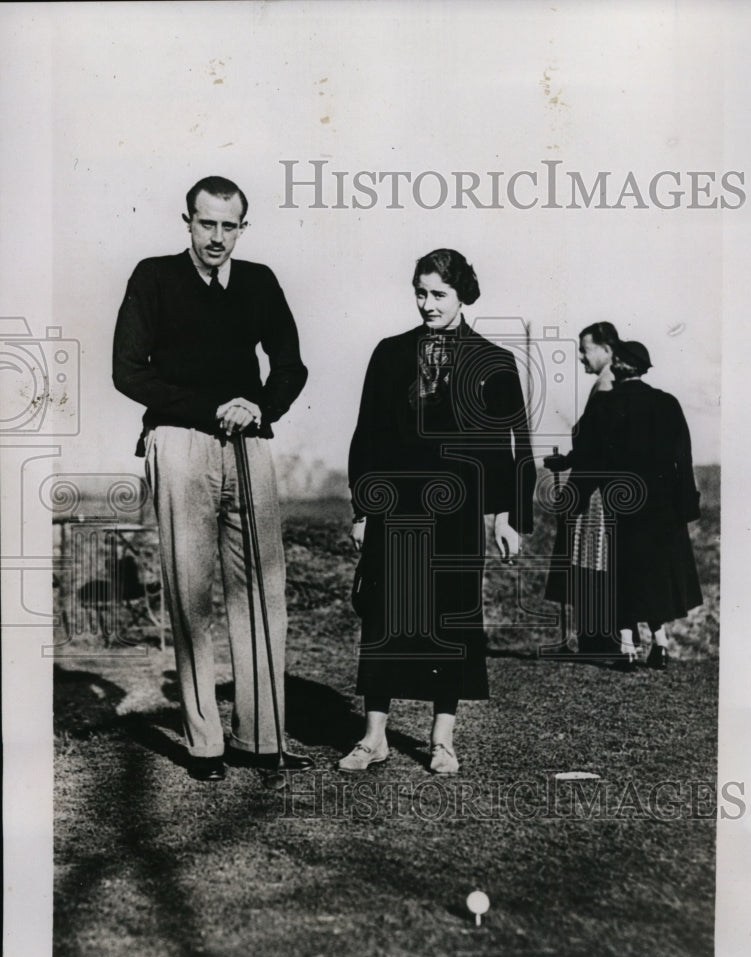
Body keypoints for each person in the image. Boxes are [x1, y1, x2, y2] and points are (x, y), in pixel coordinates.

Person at [113, 175, 313, 780]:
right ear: (188, 222)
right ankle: (205, 745)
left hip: (249, 441)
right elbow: (128, 372)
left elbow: (290, 364)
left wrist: (257, 407)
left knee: (262, 589)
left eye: (230, 226)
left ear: (242, 228)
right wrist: (208, 410)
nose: (218, 237)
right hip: (179, 442)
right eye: (207, 224)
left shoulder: (258, 282)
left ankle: (262, 738)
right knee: (190, 592)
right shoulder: (153, 277)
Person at [341, 248, 536, 774]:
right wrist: (363, 509)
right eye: (421, 293)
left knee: (450, 619)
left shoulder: (494, 360)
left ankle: (441, 741)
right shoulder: (388, 353)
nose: (428, 304)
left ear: (462, 295)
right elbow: (368, 436)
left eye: (439, 294)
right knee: (384, 618)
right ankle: (373, 737)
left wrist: (506, 516)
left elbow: (508, 447)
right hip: (395, 508)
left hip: (458, 512)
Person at [569, 339, 703, 669]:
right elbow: (682, 458)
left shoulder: (605, 405)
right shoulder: (667, 403)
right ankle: (660, 643)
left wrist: (575, 493)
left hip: (621, 502)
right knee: (654, 573)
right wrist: (686, 504)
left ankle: (627, 646)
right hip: (662, 506)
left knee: (622, 572)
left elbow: (589, 458)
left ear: (618, 365)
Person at [544, 321, 622, 660]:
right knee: (592, 558)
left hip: (596, 490)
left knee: (593, 558)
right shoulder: (606, 385)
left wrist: (573, 479)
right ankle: (596, 640)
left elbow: (596, 446)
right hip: (597, 486)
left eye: (584, 349)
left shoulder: (607, 387)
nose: (580, 357)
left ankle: (600, 642)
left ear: (606, 350)